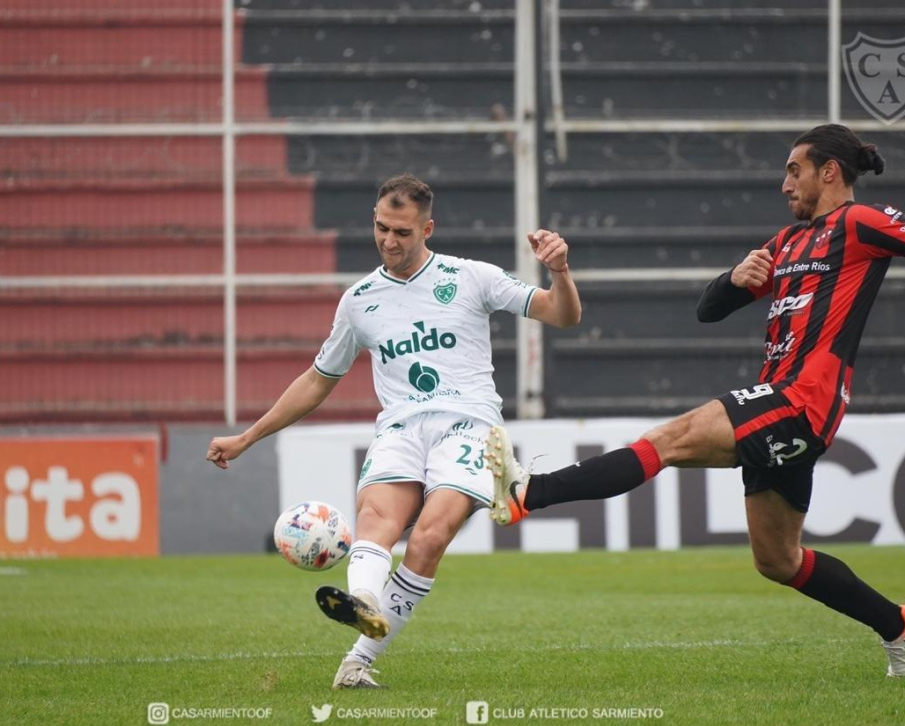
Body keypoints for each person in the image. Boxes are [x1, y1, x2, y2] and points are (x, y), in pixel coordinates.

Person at [486, 123, 905, 678]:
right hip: (780, 402)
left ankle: (528, 494)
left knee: (670, 439)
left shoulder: (859, 223)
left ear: (830, 172)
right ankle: (898, 627)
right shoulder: (787, 242)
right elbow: (708, 310)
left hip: (802, 400)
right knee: (778, 560)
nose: (785, 184)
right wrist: (734, 279)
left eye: (794, 170)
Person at [207, 174, 582, 688]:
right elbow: (317, 380)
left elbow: (562, 314)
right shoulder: (359, 300)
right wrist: (247, 437)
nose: (389, 241)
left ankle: (358, 658)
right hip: (402, 427)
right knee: (374, 518)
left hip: (469, 426)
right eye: (382, 228)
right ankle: (363, 602)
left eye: (402, 232)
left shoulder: (471, 277)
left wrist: (559, 271)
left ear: (427, 229)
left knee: (429, 536)